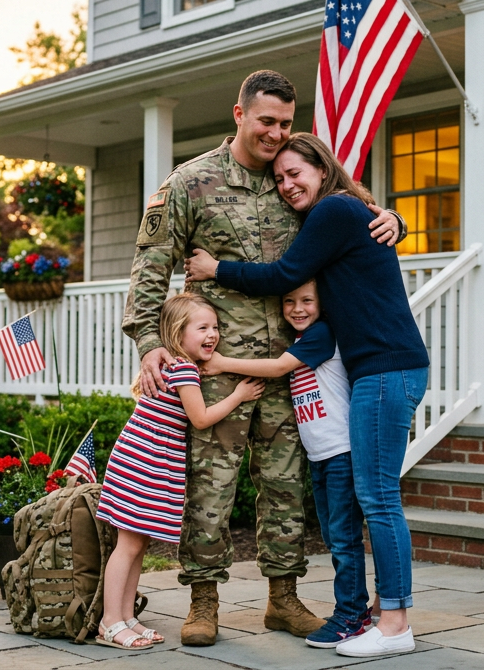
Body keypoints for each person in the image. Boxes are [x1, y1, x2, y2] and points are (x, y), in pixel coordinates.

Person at [121, 70, 406, 646]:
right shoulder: (190, 182)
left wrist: (396, 220)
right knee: (211, 484)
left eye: (284, 123)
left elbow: (356, 213)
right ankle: (203, 601)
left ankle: (283, 597)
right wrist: (149, 342)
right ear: (239, 115)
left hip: (291, 367)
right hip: (215, 368)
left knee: (286, 486)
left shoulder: (292, 184)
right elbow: (151, 264)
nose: (276, 133)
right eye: (265, 121)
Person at [184, 132, 429, 658]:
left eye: (296, 173)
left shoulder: (335, 210)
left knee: (380, 500)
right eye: (279, 178)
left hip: (388, 369)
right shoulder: (345, 211)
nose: (287, 184)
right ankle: (371, 618)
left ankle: (395, 625)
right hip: (377, 372)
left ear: (322, 169)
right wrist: (395, 218)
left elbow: (285, 274)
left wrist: (215, 269)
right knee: (373, 499)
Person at [202, 279, 369, 649]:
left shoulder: (322, 334)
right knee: (333, 536)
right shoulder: (301, 338)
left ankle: (352, 615)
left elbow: (278, 368)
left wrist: (220, 364)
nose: (297, 308)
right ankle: (354, 610)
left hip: (340, 453)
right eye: (289, 301)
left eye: (307, 300)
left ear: (322, 303)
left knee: (343, 539)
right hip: (321, 457)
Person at [95, 293, 265, 651]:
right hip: (145, 461)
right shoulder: (184, 369)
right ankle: (109, 621)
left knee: (137, 543)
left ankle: (127, 617)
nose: (212, 334)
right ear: (177, 332)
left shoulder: (174, 365)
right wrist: (238, 395)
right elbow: (200, 419)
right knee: (127, 546)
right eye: (202, 327)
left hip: (145, 458)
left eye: (215, 327)